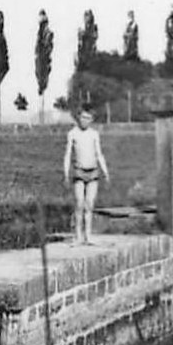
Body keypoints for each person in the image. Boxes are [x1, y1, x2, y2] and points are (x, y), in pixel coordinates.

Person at [63, 103, 110, 246]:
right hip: (79, 171)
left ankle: (88, 236)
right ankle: (78, 236)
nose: (85, 120)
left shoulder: (94, 134)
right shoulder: (72, 134)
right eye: (83, 117)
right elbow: (68, 154)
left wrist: (105, 171)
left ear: (91, 120)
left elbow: (99, 154)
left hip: (93, 171)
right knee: (79, 203)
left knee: (89, 204)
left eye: (88, 118)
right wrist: (66, 173)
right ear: (78, 117)